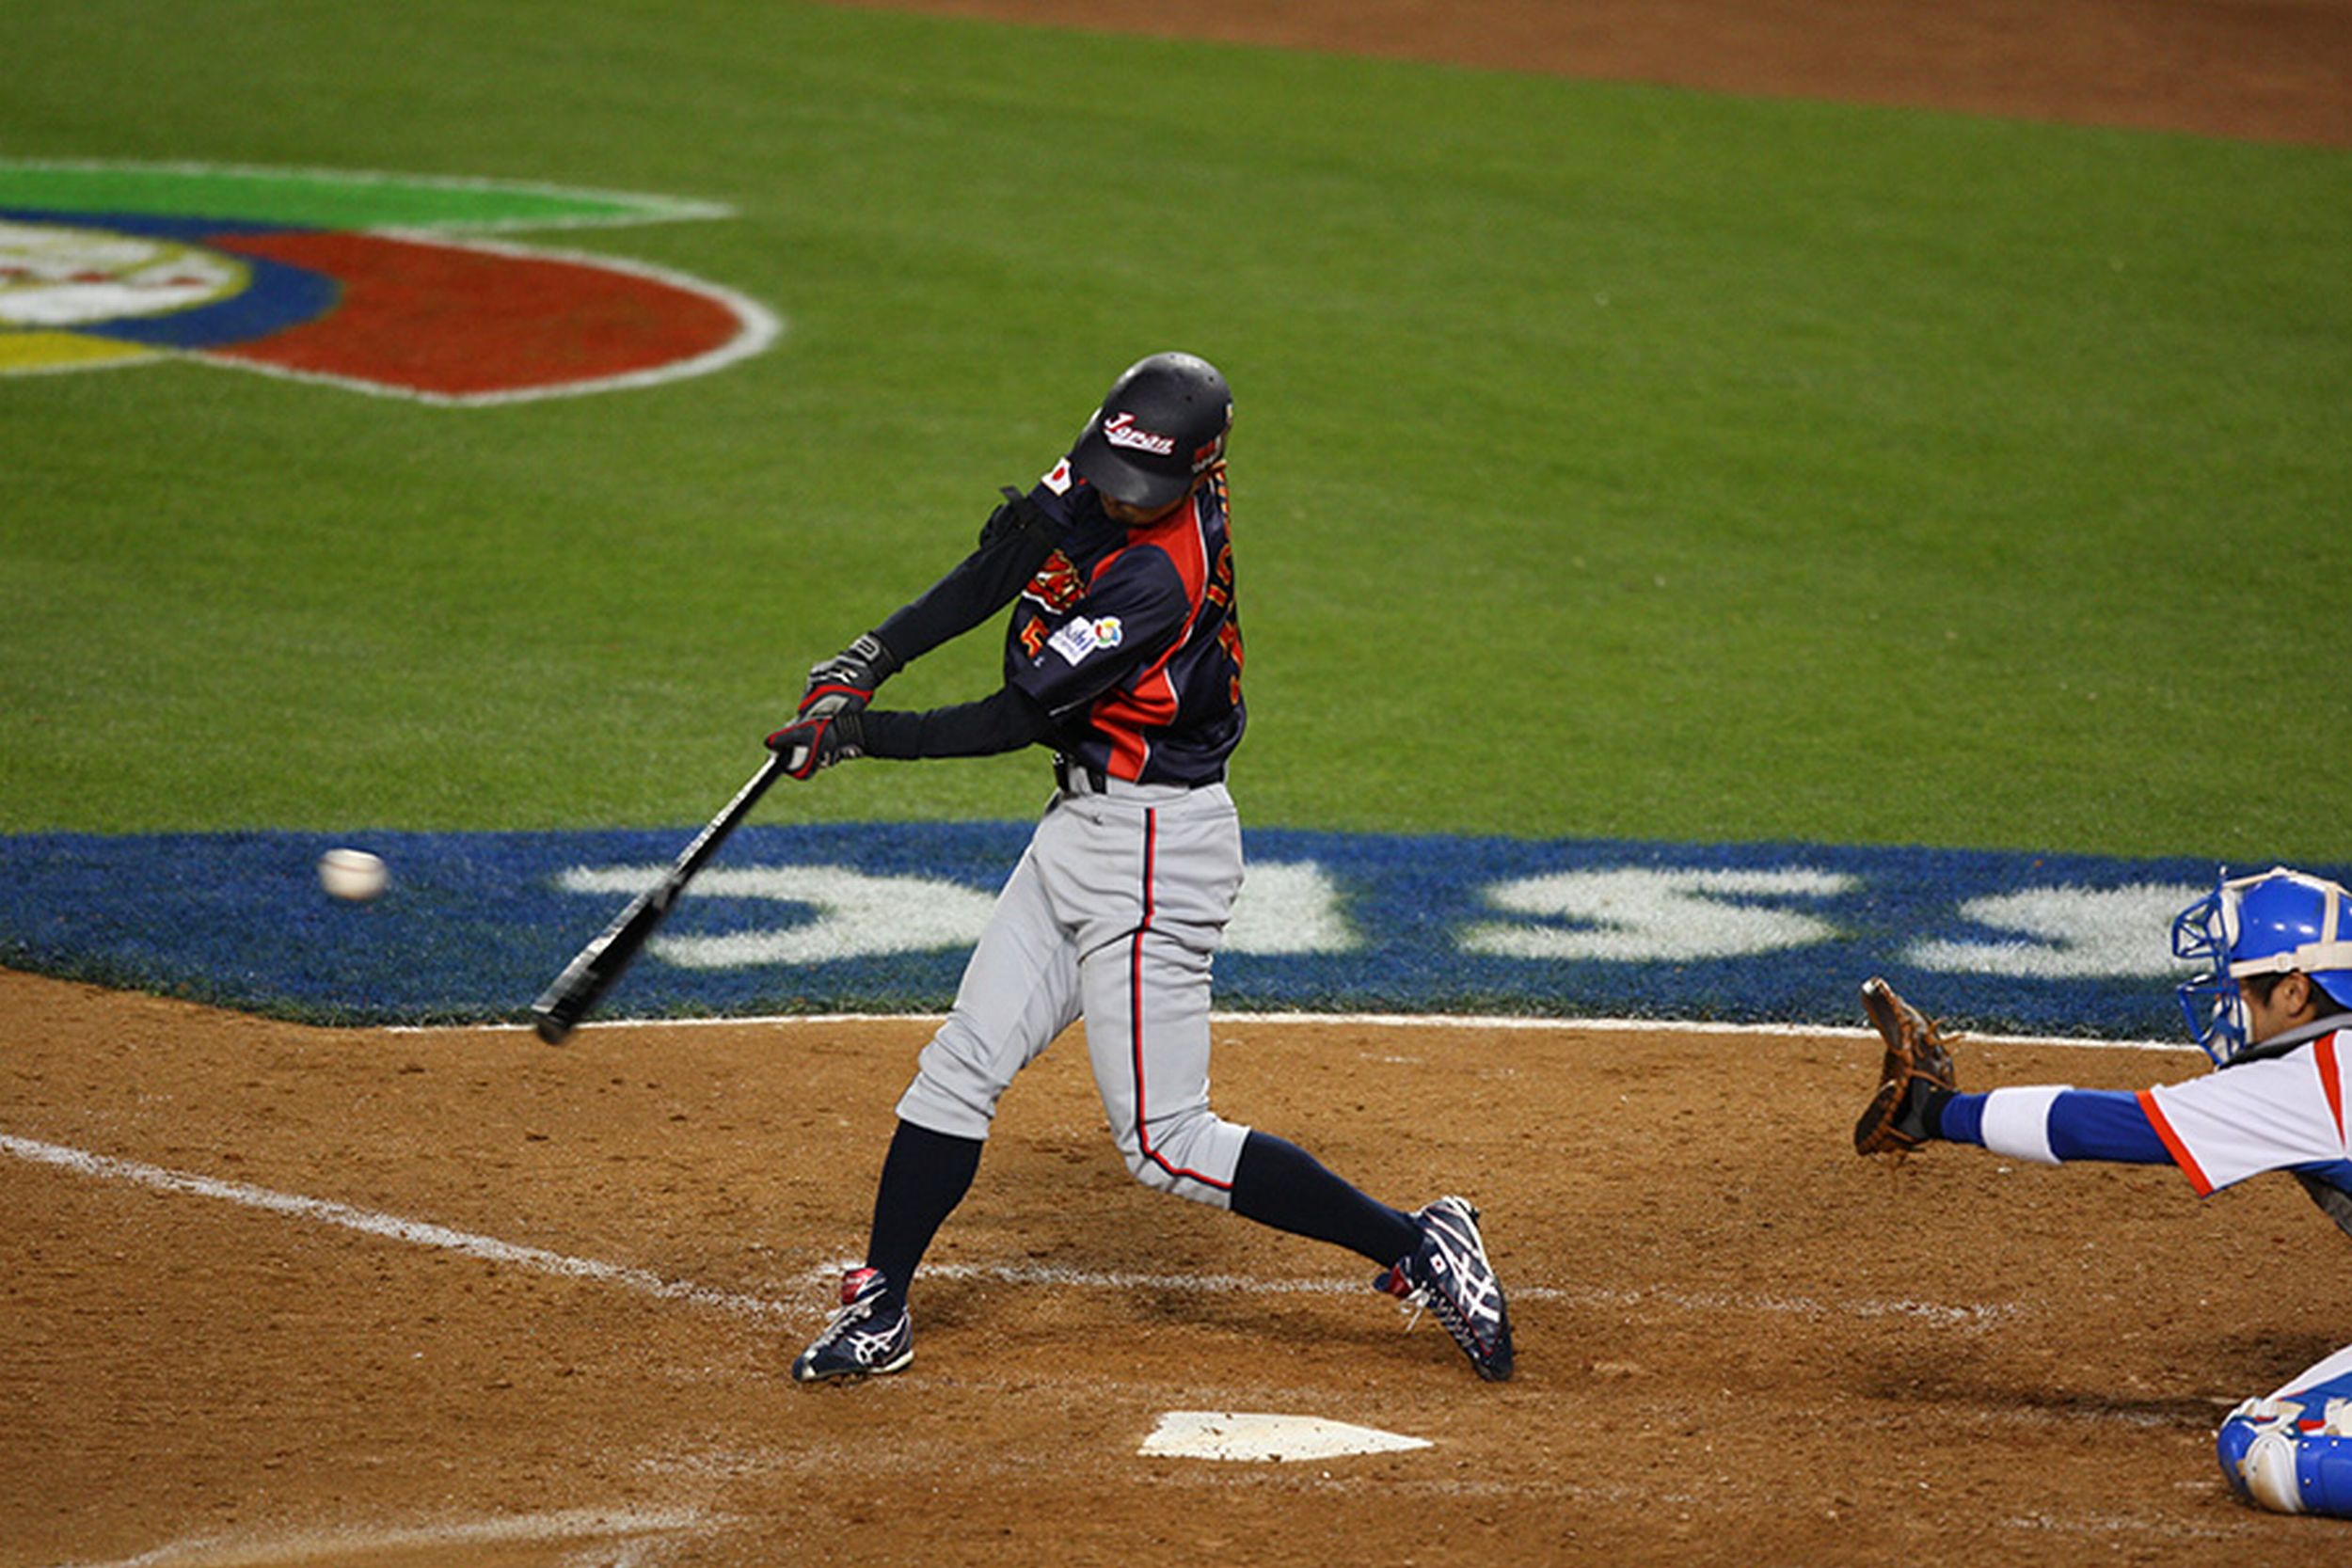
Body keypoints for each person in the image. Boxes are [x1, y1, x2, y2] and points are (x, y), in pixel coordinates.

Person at [762, 352, 1513, 1385]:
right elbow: (1012, 553)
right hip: (1080, 826)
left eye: (1140, 489)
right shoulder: (1117, 457)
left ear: (1198, 471)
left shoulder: (1162, 576)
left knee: (1164, 1140)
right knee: (963, 1061)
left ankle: (1420, 1246)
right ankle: (881, 1303)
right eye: (1109, 474)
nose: (1116, 498)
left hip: (1158, 849)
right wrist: (870, 657)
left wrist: (860, 734)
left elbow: (1016, 715)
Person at [1854, 865, 2352, 1516]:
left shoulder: (2310, 1081)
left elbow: (2101, 1125)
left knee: (2270, 1449)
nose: (2226, 1002)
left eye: (2239, 985)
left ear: (2293, 992)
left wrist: (1937, 1112)